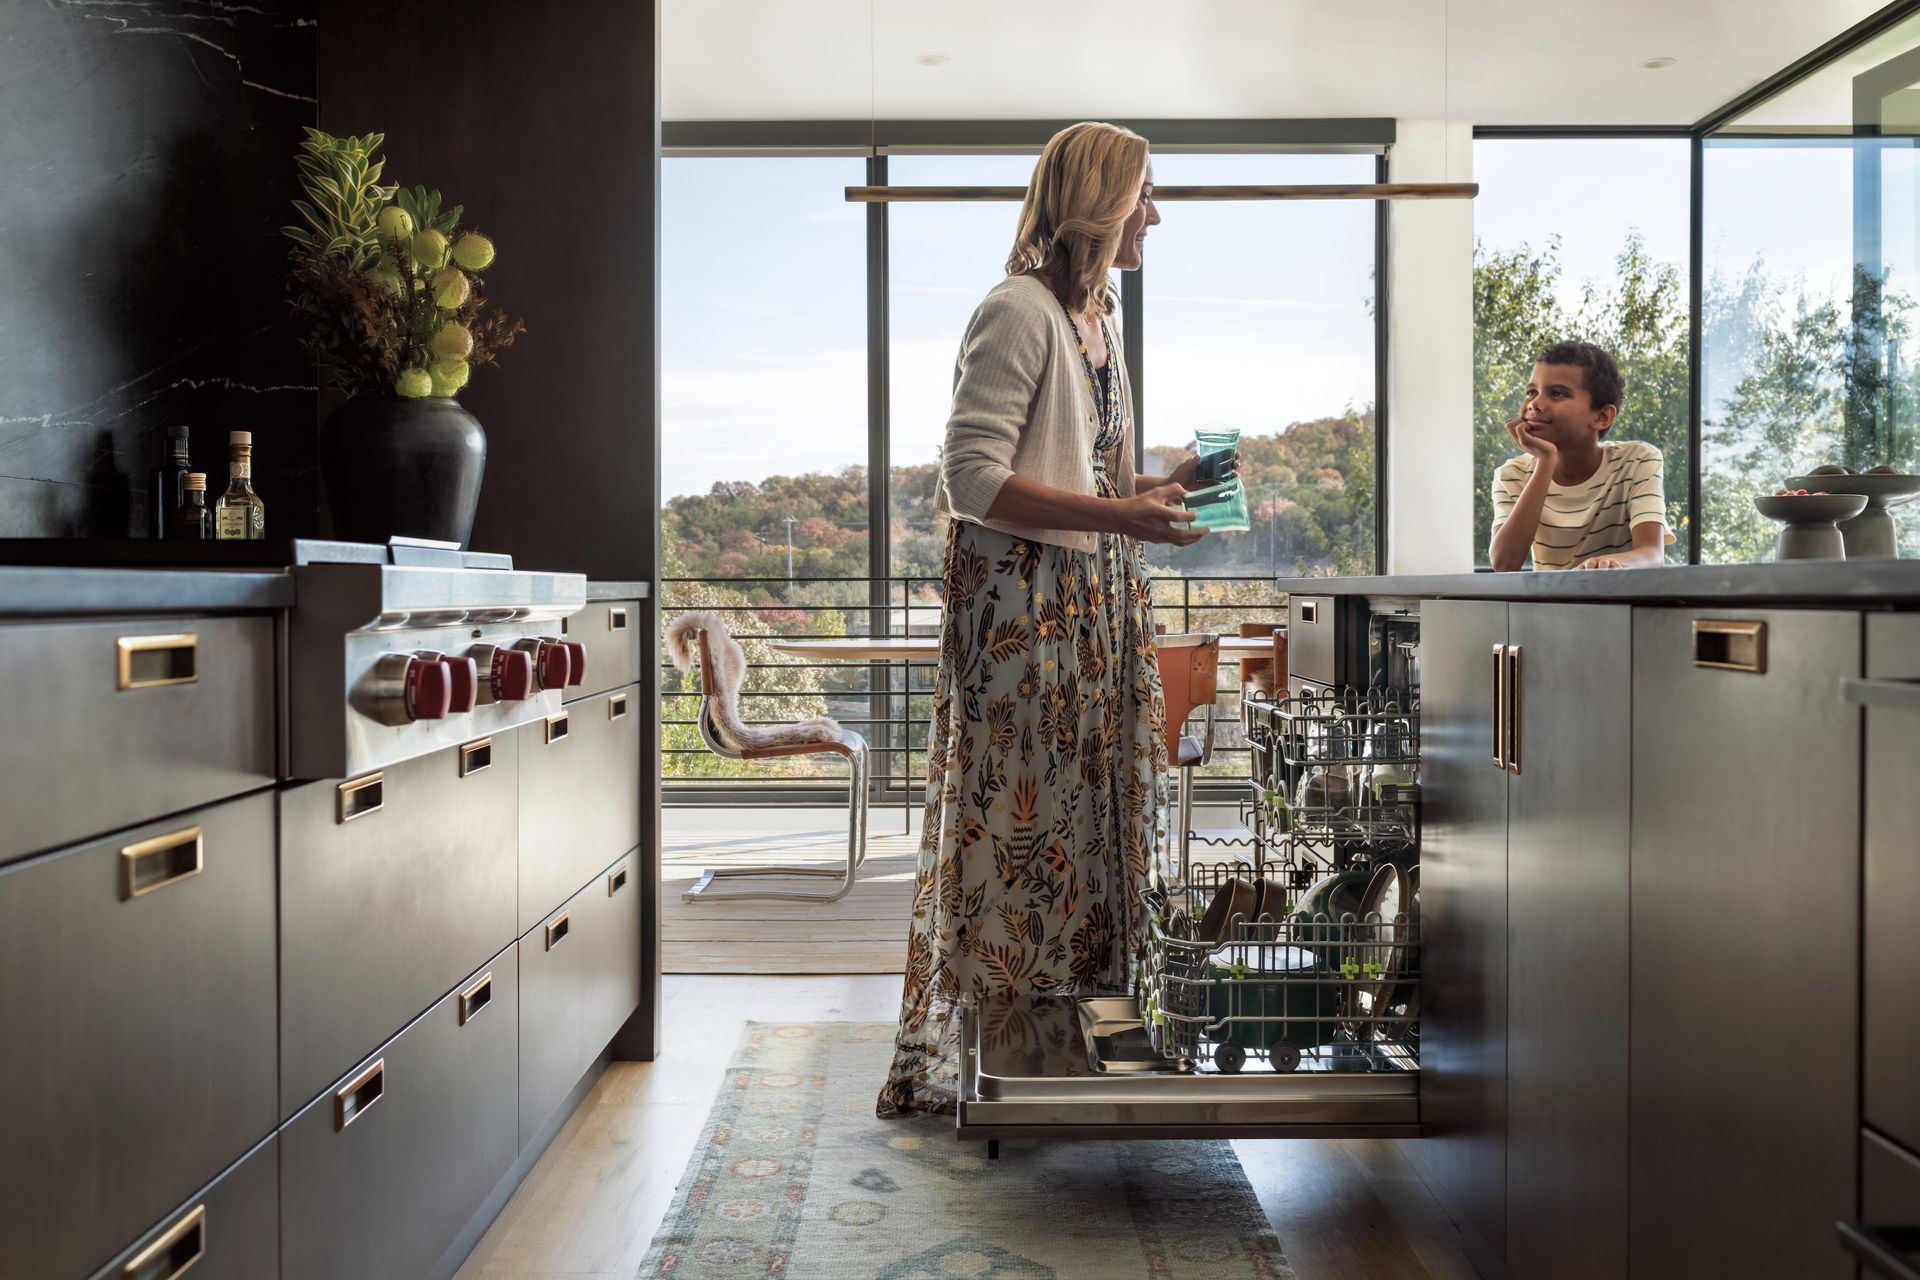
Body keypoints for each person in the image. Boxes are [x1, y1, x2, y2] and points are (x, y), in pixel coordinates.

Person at [877, 121, 1232, 1118]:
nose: (1155, 216)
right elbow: (973, 478)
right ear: (1102, 203)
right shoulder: (1016, 311)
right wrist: (1121, 515)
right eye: (1145, 196)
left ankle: (1073, 1043)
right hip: (1023, 617)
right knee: (1021, 828)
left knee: (1081, 827)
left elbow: (1100, 475)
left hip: (1090, 606)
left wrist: (1173, 486)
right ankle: (1009, 1052)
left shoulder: (1100, 321)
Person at [1489, 341, 1673, 571]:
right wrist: (1546, 461)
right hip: (1550, 606)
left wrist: (1607, 565)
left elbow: (1652, 555)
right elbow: (1505, 563)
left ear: (1602, 417)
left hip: (1620, 605)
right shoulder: (1511, 475)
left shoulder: (1637, 461)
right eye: (1531, 392)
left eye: (1556, 393)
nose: (1534, 403)